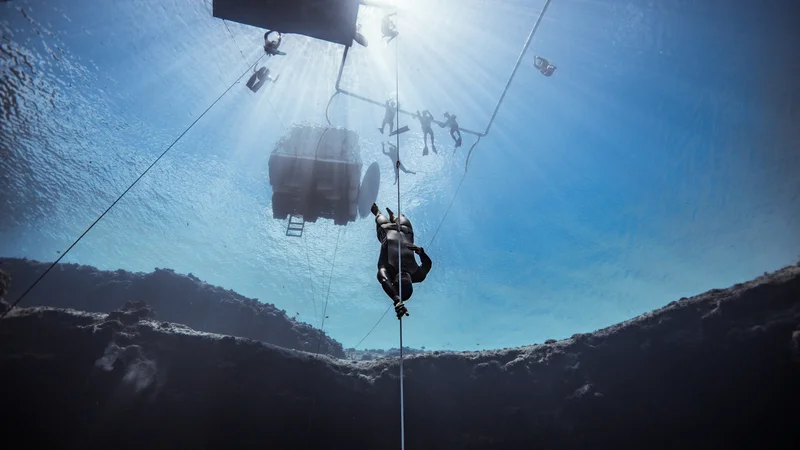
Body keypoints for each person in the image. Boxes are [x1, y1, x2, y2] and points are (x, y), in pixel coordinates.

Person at [371, 203, 432, 319]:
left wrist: (396, 299)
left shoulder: (387, 269)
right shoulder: (418, 275)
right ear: (411, 282)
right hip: (406, 231)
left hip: (386, 230)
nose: (403, 275)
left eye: (400, 279)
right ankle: (393, 217)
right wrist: (421, 253)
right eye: (406, 279)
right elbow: (427, 265)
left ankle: (378, 212)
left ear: (394, 282)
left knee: (378, 215)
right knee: (401, 216)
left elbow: (383, 280)